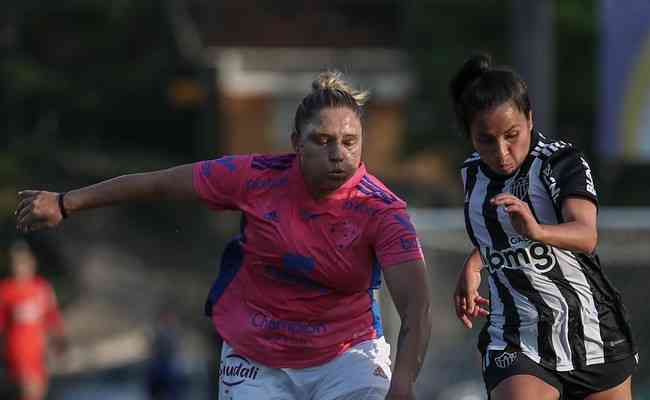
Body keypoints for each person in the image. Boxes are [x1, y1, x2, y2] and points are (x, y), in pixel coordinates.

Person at [15, 71, 433, 400]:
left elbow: (415, 307)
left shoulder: (382, 210)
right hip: (257, 356)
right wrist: (66, 202)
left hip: (348, 355)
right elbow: (157, 184)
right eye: (322, 141)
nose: (338, 154)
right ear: (295, 144)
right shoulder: (253, 178)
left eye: (349, 141)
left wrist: (404, 383)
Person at [450, 53, 638, 400]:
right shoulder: (471, 175)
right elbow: (498, 234)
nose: (502, 151)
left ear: (530, 117)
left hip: (592, 332)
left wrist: (536, 230)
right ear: (470, 136)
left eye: (512, 135)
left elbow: (585, 234)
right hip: (516, 335)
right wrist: (475, 263)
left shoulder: (559, 162)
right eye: (486, 140)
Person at [0, 240, 67, 400]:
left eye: (23, 262)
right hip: (18, 353)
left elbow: (52, 317)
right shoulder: (6, 290)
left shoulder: (42, 288)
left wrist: (59, 340)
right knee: (30, 392)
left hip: (39, 352)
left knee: (40, 391)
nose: (20, 267)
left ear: (32, 263)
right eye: (16, 263)